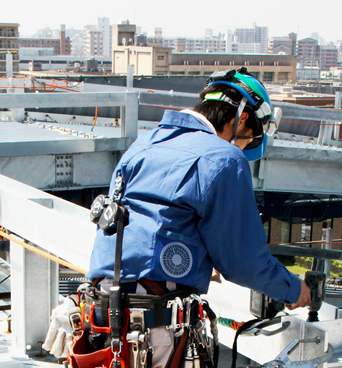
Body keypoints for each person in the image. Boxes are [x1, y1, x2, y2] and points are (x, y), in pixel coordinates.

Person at [77, 68, 311, 368]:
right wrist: (294, 290)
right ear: (240, 119)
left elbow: (150, 221)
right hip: (154, 328)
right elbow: (244, 262)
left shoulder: (145, 144)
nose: (242, 146)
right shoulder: (224, 159)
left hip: (100, 314)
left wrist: (198, 261)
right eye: (247, 139)